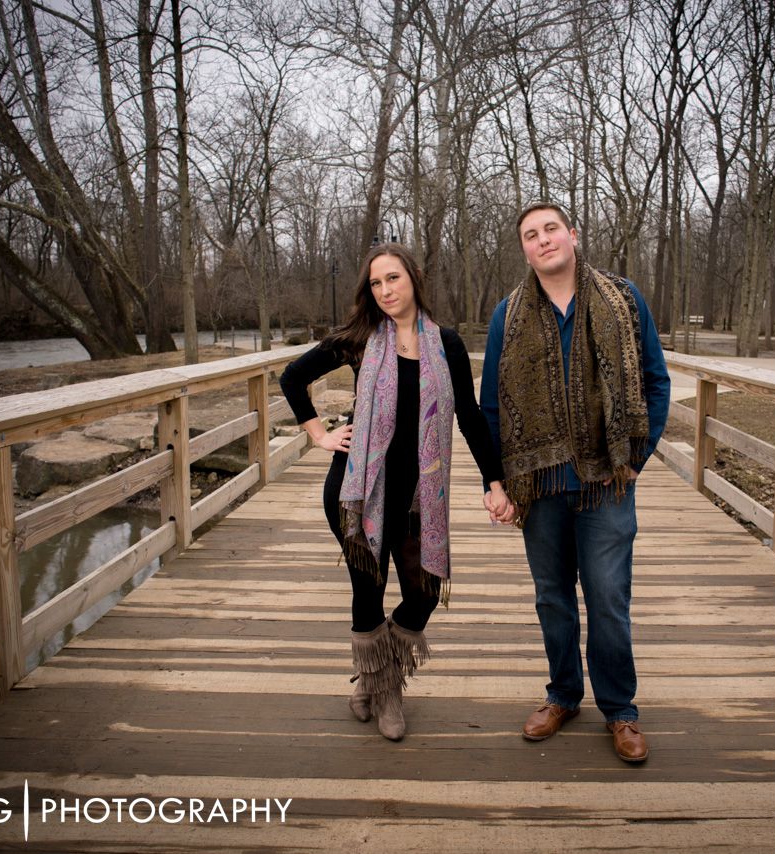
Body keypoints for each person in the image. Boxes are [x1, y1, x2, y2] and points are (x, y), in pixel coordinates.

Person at [280, 243, 512, 742]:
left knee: (423, 591)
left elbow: (469, 417)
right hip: (357, 489)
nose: (385, 291)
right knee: (368, 589)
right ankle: (386, 689)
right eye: (376, 283)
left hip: (419, 495)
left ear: (414, 278)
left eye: (393, 279)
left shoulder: (445, 344)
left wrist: (494, 480)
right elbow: (293, 377)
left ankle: (373, 676)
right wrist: (320, 435)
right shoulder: (361, 338)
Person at [480, 203, 670, 763]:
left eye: (550, 230)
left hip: (606, 482)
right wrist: (498, 481)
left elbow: (656, 383)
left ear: (572, 235)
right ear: (525, 249)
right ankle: (563, 694)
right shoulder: (506, 315)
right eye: (530, 235)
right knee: (553, 598)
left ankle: (620, 709)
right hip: (538, 486)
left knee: (608, 598)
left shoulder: (623, 299)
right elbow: (491, 406)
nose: (543, 241)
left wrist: (636, 457)